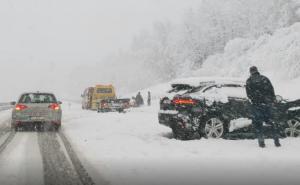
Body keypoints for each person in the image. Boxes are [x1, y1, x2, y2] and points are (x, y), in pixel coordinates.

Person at [246, 66, 281, 148]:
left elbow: (249, 95)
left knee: (258, 124)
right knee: (271, 122)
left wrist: (255, 100)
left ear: (250, 72)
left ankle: (261, 143)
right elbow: (272, 90)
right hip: (267, 104)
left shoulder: (249, 81)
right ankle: (277, 141)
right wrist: (271, 100)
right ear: (257, 71)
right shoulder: (265, 78)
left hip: (257, 105)